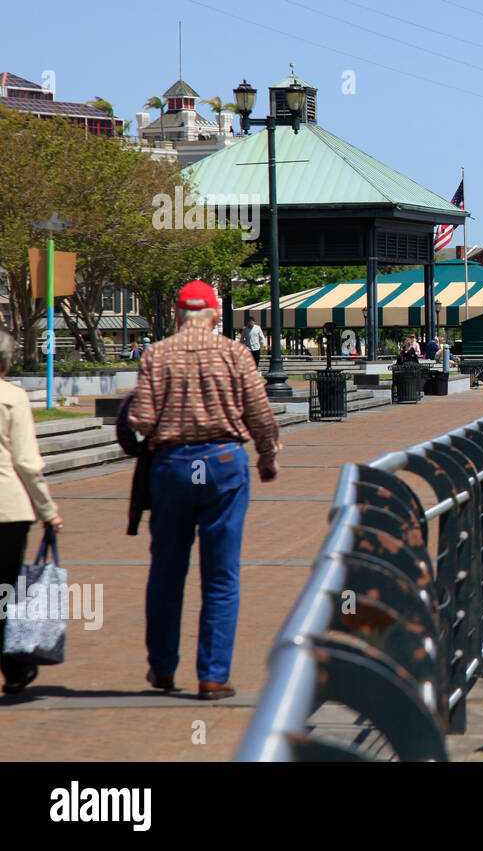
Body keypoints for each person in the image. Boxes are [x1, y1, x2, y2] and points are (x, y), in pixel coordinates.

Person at [126, 281, 280, 700]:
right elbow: (260, 415)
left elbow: (140, 419)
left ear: (178, 314)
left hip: (173, 466)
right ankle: (212, 676)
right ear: (214, 315)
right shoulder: (235, 353)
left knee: (166, 571)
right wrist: (267, 457)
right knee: (221, 575)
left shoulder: (156, 354)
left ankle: (161, 668)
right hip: (224, 464)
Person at [0, 330, 63, 695]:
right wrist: (48, 510)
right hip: (8, 507)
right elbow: (27, 462)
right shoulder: (13, 398)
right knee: (6, 588)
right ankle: (13, 662)